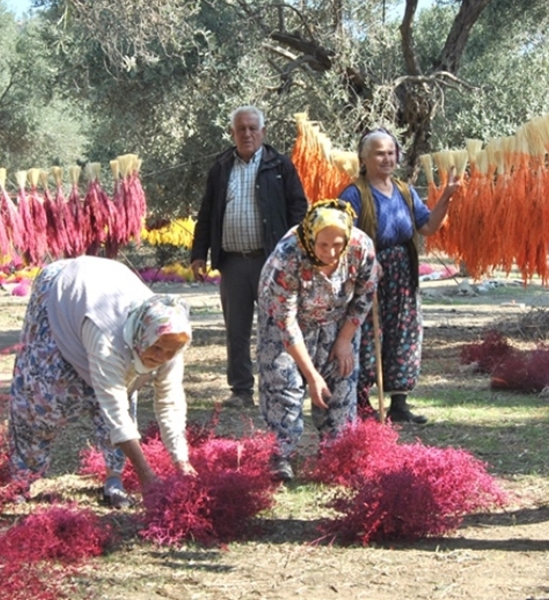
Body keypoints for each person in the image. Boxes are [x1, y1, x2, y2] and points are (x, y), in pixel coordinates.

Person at [7, 256, 195, 508]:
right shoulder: (108, 339)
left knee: (126, 390)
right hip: (64, 293)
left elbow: (170, 404)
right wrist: (146, 475)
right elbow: (114, 407)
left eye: (170, 352)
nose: (162, 357)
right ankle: (22, 479)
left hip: (108, 284)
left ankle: (114, 480)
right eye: (157, 348)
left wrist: (181, 462)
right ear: (143, 337)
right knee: (44, 398)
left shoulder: (171, 338)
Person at [190, 105, 308, 409]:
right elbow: (206, 213)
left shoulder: (280, 166)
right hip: (232, 262)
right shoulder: (220, 168)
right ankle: (241, 390)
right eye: (241, 128)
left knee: (278, 326)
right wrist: (198, 253)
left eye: (252, 128)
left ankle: (279, 386)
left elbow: (299, 209)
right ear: (233, 132)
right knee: (236, 330)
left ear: (263, 132)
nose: (247, 133)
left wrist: (294, 253)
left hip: (272, 264)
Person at [339, 128, 458, 424]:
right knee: (368, 335)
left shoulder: (404, 191)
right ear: (364, 159)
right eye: (379, 153)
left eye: (391, 152)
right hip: (369, 273)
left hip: (402, 273)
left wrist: (447, 197)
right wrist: (367, 261)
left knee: (404, 333)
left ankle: (399, 404)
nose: (387, 158)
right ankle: (363, 402)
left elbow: (428, 226)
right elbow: (341, 235)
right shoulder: (354, 193)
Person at [256, 199, 377, 481]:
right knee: (285, 382)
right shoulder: (287, 257)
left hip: (337, 319)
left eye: (338, 244)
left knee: (341, 378)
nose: (331, 252)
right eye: (323, 245)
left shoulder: (361, 248)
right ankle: (281, 453)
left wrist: (345, 340)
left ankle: (337, 451)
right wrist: (311, 375)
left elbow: (364, 297)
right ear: (311, 238)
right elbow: (285, 323)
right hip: (287, 322)